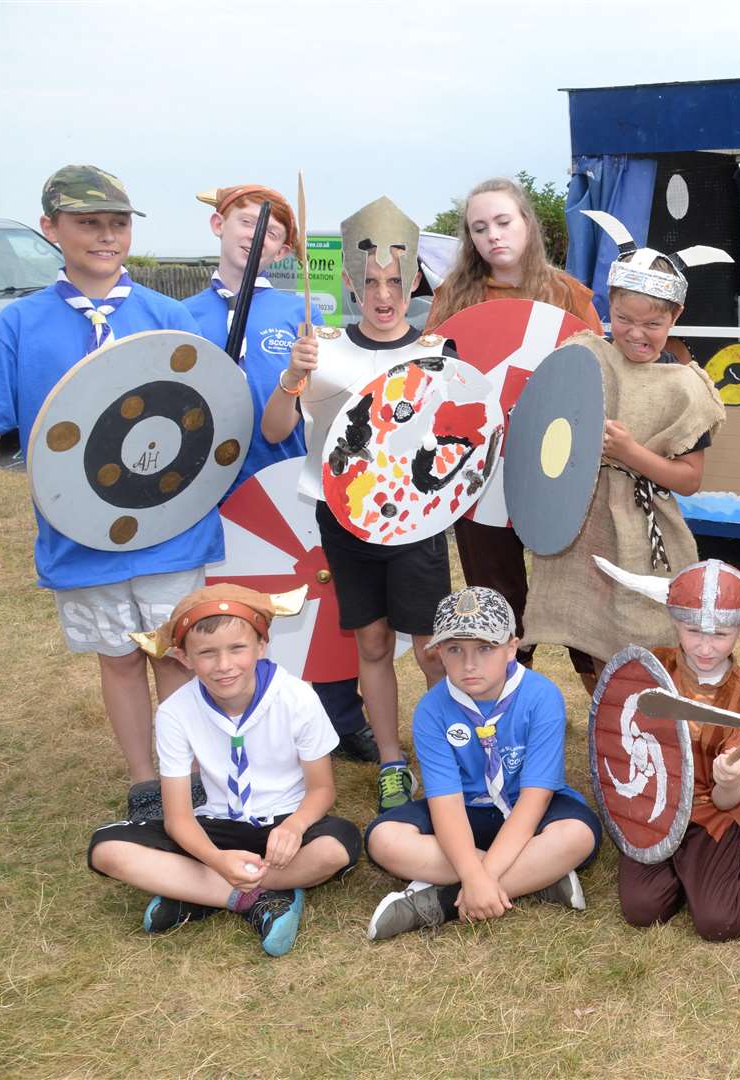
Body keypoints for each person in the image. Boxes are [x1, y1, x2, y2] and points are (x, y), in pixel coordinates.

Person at [0, 165, 215, 819]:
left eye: (117, 222)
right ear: (50, 229)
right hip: (79, 529)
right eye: (88, 223)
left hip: (169, 527)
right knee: (118, 658)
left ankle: (187, 773)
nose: (106, 235)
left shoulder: (167, 316)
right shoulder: (18, 326)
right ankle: (145, 780)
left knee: (175, 654)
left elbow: (207, 416)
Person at [260, 196, 450, 813]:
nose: (384, 294)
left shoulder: (439, 352)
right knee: (372, 641)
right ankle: (393, 760)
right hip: (342, 517)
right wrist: (294, 375)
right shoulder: (324, 348)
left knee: (429, 644)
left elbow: (461, 442)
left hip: (415, 519)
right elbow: (272, 430)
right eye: (370, 282)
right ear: (348, 282)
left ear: (413, 279)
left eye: (396, 281)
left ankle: (450, 750)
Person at [183, 183, 377, 764]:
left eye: (270, 231)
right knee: (233, 613)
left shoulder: (300, 312)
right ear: (219, 225)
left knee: (321, 599)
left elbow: (328, 400)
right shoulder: (180, 315)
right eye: (247, 222)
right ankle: (250, 727)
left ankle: (342, 718)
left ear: (281, 250)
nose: (256, 236)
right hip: (214, 493)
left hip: (290, 478)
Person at [86, 584, 362, 957]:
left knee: (336, 847)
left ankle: (195, 892)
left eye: (237, 648)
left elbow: (322, 790)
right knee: (107, 848)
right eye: (207, 654)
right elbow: (179, 818)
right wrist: (217, 860)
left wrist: (295, 827)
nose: (224, 665)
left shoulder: (297, 697)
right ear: (184, 658)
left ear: (262, 645)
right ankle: (251, 898)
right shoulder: (175, 711)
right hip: (215, 827)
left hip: (285, 824)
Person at [522, 211, 727, 686]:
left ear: (676, 316)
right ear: (607, 309)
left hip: (642, 530)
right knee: (591, 631)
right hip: (583, 524)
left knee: (645, 633)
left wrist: (631, 452)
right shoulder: (585, 357)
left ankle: (652, 722)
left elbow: (690, 480)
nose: (637, 333)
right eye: (624, 319)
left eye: (653, 323)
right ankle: (607, 721)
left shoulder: (685, 388)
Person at [424, 178, 603, 667]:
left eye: (503, 221)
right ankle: (507, 705)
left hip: (555, 463)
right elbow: (430, 382)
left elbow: (597, 379)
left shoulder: (569, 295)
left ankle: (602, 717)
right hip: (477, 470)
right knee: (495, 595)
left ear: (527, 222)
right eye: (479, 228)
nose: (493, 236)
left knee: (571, 593)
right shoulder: (453, 299)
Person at [595, 556, 740, 941]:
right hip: (655, 808)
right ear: (675, 622)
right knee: (642, 908)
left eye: (721, 635)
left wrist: (728, 782)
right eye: (693, 631)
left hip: (710, 811)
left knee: (718, 920)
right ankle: (698, 868)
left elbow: (724, 799)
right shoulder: (651, 673)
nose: (706, 647)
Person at [364, 587, 601, 940]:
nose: (469, 664)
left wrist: (479, 879)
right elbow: (446, 805)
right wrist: (475, 876)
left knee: (577, 835)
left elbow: (535, 801)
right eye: (455, 649)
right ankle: (536, 878)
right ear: (438, 652)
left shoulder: (542, 696)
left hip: (528, 811)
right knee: (384, 838)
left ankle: (441, 901)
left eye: (485, 648)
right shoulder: (432, 708)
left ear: (511, 647)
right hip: (464, 814)